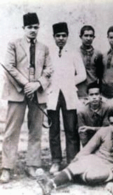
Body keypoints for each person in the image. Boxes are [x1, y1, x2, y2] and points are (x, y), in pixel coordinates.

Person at [0, 12, 52, 182]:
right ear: (24, 28)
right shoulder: (13, 45)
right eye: (29, 27)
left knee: (36, 130)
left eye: (36, 27)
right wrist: (26, 84)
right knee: (11, 131)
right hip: (18, 93)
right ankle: (7, 167)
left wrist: (37, 84)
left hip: (37, 93)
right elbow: (9, 67)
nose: (33, 30)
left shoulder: (44, 48)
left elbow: (48, 70)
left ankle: (33, 165)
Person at [37, 109, 113, 195]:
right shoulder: (104, 131)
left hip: (110, 165)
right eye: (112, 123)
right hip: (96, 158)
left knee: (92, 177)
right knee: (78, 164)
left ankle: (66, 176)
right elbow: (87, 149)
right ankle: (50, 185)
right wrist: (76, 161)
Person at [47, 22, 86, 175]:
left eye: (64, 36)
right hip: (53, 95)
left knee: (71, 129)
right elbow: (45, 73)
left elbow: (82, 75)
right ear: (54, 37)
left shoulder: (74, 53)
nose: (61, 39)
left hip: (69, 95)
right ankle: (56, 161)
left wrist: (69, 83)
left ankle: (72, 160)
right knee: (54, 129)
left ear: (67, 36)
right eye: (58, 36)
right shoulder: (49, 53)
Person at [78, 82, 113, 146]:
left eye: (96, 94)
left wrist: (90, 128)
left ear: (100, 95)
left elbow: (106, 129)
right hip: (89, 142)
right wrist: (86, 147)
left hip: (104, 141)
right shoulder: (82, 111)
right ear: (87, 96)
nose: (94, 97)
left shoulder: (107, 108)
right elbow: (82, 133)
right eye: (91, 95)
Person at [77, 25, 103, 103]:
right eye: (86, 35)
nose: (88, 38)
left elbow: (100, 75)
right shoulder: (75, 53)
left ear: (93, 37)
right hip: (79, 91)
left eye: (91, 36)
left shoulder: (98, 54)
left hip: (93, 92)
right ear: (80, 37)